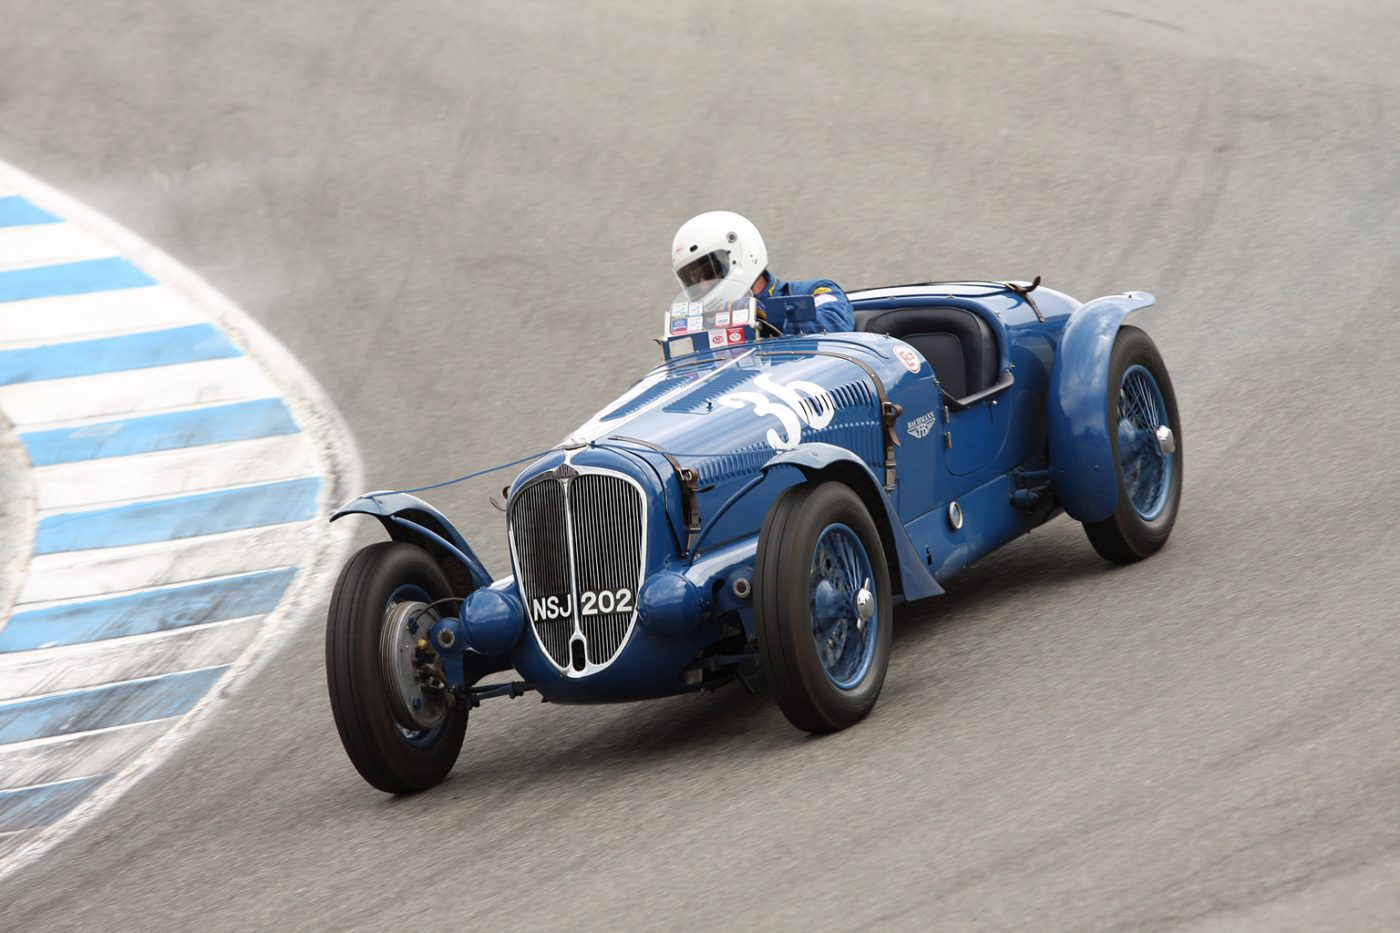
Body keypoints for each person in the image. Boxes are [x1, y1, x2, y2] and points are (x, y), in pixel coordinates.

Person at [671, 211, 855, 334]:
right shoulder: (703, 326)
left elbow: (835, 326)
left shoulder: (814, 291)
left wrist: (763, 316)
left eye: (710, 270)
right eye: (693, 279)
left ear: (743, 255)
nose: (703, 284)